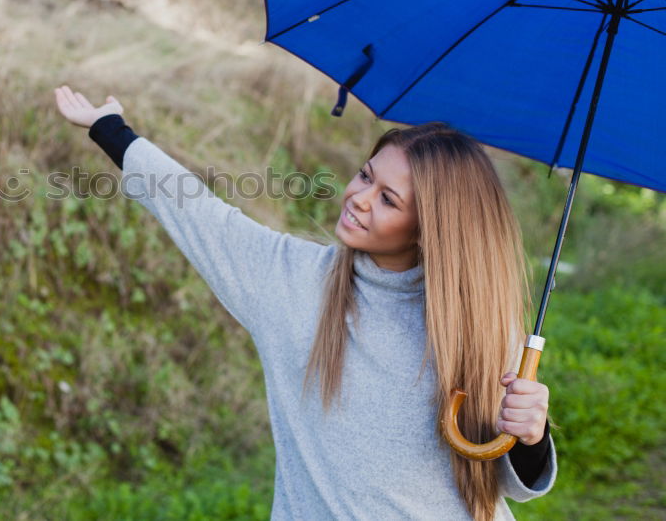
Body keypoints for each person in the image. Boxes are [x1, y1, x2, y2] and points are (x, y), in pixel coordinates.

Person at [53, 85, 556, 520]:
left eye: (388, 199)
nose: (358, 197)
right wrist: (110, 128)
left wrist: (530, 436)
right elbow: (196, 211)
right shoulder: (289, 283)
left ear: (432, 230)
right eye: (365, 176)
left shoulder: (479, 323)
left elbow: (503, 481)